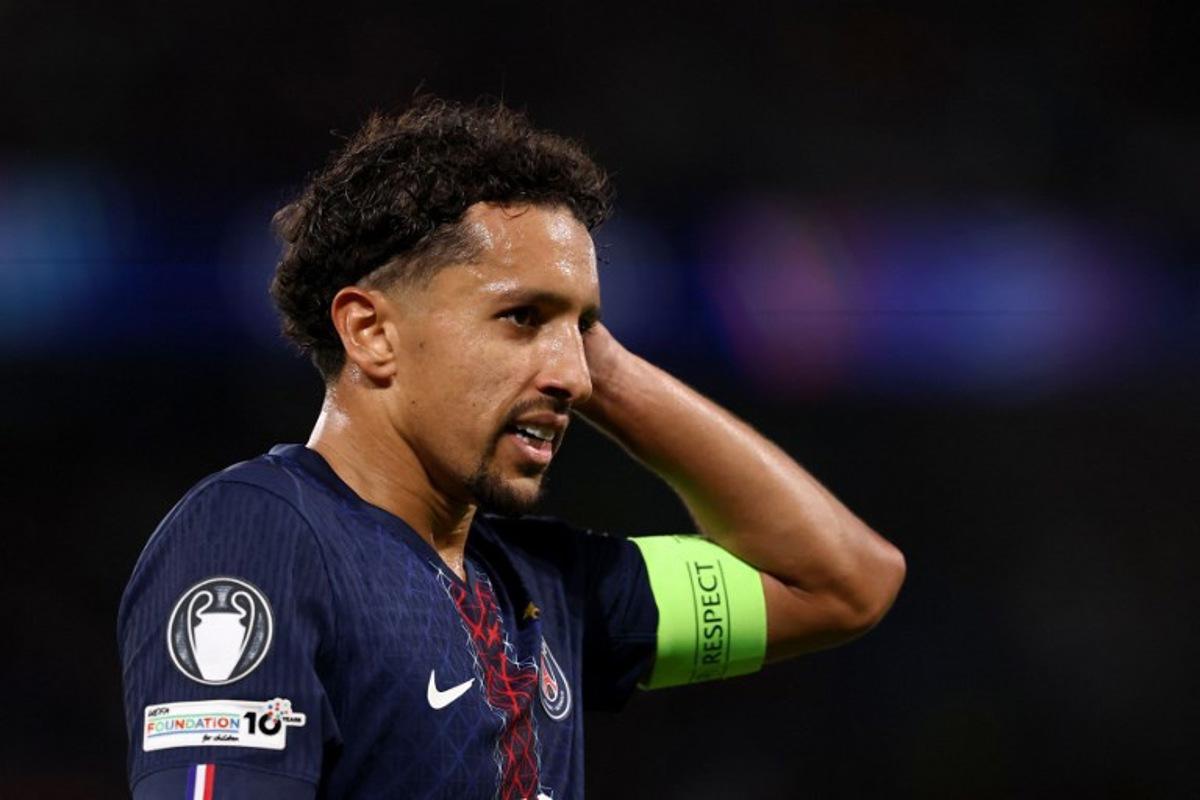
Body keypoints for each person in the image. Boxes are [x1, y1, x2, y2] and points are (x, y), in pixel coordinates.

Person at [118, 97, 906, 799]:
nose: (573, 378)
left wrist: (613, 372)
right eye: (522, 317)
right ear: (371, 331)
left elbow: (844, 583)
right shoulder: (259, 538)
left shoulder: (548, 588)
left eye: (583, 328)